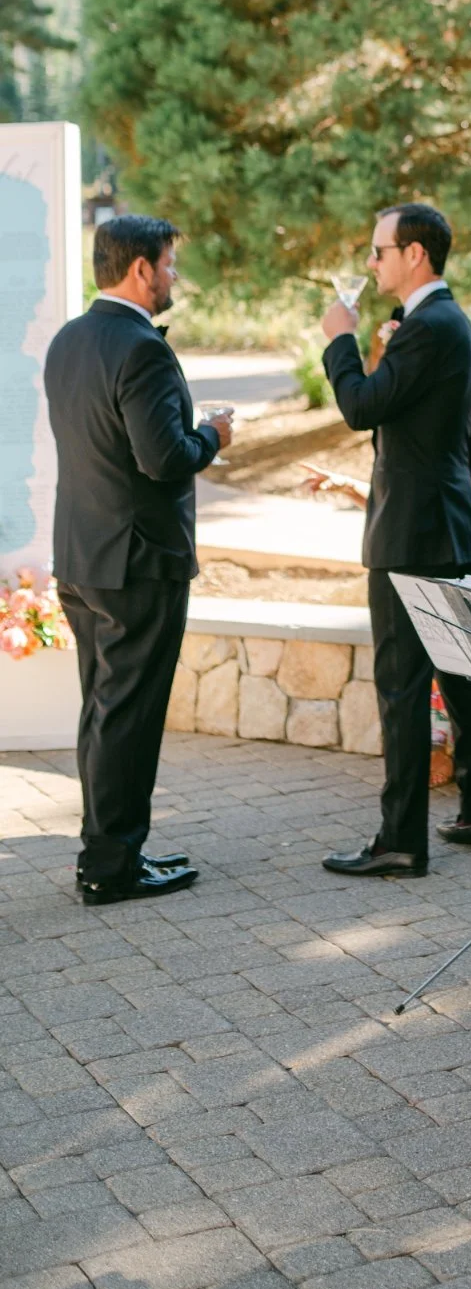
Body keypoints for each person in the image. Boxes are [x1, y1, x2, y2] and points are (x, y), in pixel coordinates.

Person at [44, 215, 233, 906]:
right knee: (130, 713)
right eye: (170, 264)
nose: (175, 276)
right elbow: (164, 459)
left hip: (81, 554)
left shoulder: (69, 339)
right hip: (138, 562)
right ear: (141, 270)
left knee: (101, 707)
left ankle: (106, 850)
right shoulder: (142, 349)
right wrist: (212, 433)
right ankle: (111, 867)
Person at [320, 202, 471, 874]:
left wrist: (339, 339)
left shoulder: (431, 327)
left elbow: (360, 407)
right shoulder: (451, 327)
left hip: (409, 531)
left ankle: (400, 840)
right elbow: (462, 436)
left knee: (402, 686)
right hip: (447, 522)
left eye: (378, 251)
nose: (371, 263)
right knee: (460, 674)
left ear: (414, 254)